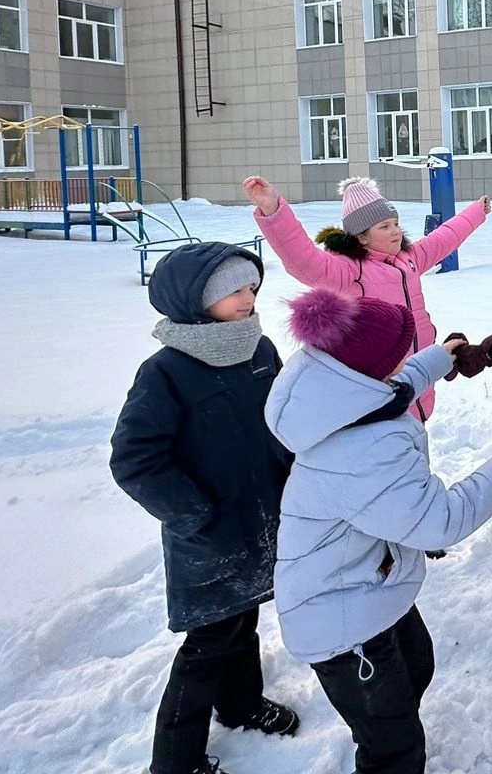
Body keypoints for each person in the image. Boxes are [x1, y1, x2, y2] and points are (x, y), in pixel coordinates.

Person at [265, 288, 492, 774]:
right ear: (365, 375)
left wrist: (441, 358)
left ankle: (390, 721)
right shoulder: (360, 450)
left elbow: (396, 383)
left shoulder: (336, 392)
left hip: (365, 584)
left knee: (416, 665)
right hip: (340, 621)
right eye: (395, 358)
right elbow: (438, 521)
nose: (400, 367)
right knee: (392, 744)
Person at [110, 243, 300, 774]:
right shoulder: (165, 372)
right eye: (234, 290)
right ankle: (175, 761)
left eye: (252, 287)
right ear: (196, 300)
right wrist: (197, 516)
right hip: (210, 536)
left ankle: (241, 705)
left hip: (264, 517)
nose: (249, 298)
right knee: (208, 644)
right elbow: (134, 461)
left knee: (245, 619)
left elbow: (281, 423)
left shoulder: (258, 350)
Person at [242, 174, 492, 423]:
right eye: (384, 227)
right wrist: (272, 209)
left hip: (421, 381)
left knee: (416, 442)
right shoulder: (349, 270)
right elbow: (302, 258)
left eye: (395, 223)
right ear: (361, 236)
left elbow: (444, 238)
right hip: (381, 389)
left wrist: (476, 212)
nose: (395, 231)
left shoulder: (409, 259)